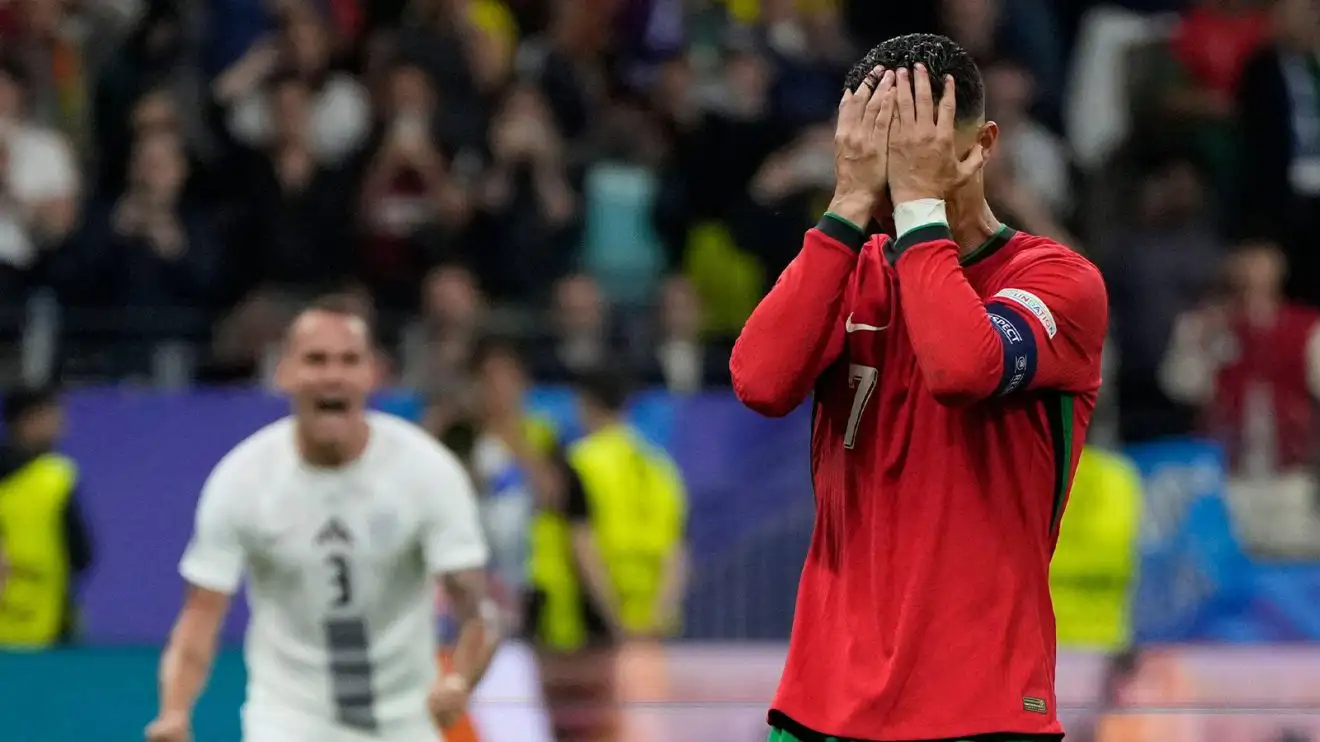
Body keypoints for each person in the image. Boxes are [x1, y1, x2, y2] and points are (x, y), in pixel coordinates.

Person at [730, 34, 1109, 742]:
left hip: (980, 709)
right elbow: (759, 381)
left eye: (918, 150)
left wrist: (917, 208)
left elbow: (960, 366)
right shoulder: (848, 264)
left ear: (983, 143)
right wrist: (845, 203)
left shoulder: (1060, 283)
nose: (896, 171)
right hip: (822, 706)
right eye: (874, 149)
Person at [145, 294, 500, 742]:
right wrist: (174, 710)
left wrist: (459, 680)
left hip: (405, 723)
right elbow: (199, 617)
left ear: (373, 374)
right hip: (289, 721)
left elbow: (477, 613)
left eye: (349, 360)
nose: (333, 375)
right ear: (285, 373)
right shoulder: (244, 479)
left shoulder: (427, 473)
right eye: (315, 360)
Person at [0, 383, 93, 648]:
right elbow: (81, 554)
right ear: (28, 420)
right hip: (49, 620)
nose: (61, 425)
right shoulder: (55, 477)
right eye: (53, 416)